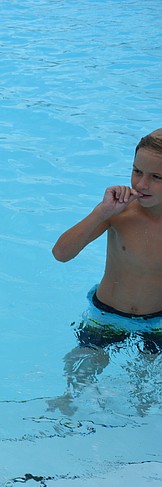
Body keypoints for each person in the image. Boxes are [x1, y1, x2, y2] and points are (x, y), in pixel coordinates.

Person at [50, 129, 162, 412]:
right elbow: (61, 253)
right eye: (137, 171)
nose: (141, 183)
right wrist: (102, 212)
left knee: (147, 392)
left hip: (158, 322)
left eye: (156, 177)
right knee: (80, 370)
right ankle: (66, 413)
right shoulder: (120, 212)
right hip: (108, 314)